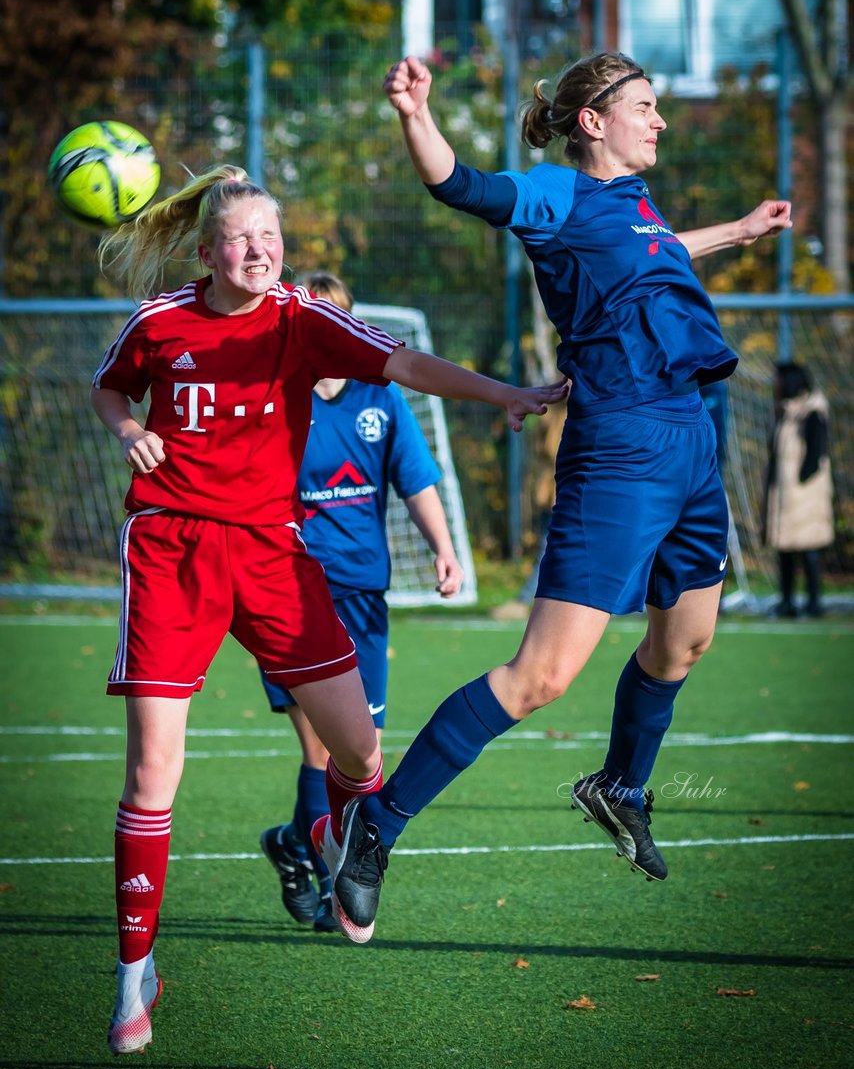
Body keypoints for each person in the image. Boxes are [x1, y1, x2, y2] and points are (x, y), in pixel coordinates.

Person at [309, 51, 793, 943]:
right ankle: (374, 825)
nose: (660, 121)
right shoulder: (557, 196)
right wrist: (417, 114)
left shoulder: (635, 209)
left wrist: (737, 231)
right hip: (619, 450)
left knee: (683, 645)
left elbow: (656, 254)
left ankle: (620, 786)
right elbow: (463, 186)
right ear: (593, 121)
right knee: (540, 678)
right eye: (645, 106)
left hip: (689, 442)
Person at [91, 164, 567, 1053]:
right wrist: (127, 428)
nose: (258, 250)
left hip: (274, 552)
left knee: (360, 749)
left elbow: (406, 362)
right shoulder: (160, 322)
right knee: (154, 772)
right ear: (207, 252)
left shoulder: (302, 319)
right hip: (173, 547)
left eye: (270, 236)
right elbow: (111, 386)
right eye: (240, 238)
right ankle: (132, 975)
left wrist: (504, 392)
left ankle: (340, 830)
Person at [259, 270, 464, 933]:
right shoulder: (276, 398)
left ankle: (294, 843)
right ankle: (331, 890)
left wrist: (443, 546)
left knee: (360, 752)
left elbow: (416, 479)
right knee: (319, 751)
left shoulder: (381, 398)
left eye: (337, 318)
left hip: (363, 597)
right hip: (287, 593)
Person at [762, 361, 833, 617]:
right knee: (785, 553)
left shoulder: (813, 411)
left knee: (810, 551)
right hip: (784, 493)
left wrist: (800, 479)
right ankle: (787, 602)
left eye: (778, 379)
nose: (775, 385)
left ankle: (814, 604)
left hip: (806, 494)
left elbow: (816, 454)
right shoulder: (782, 412)